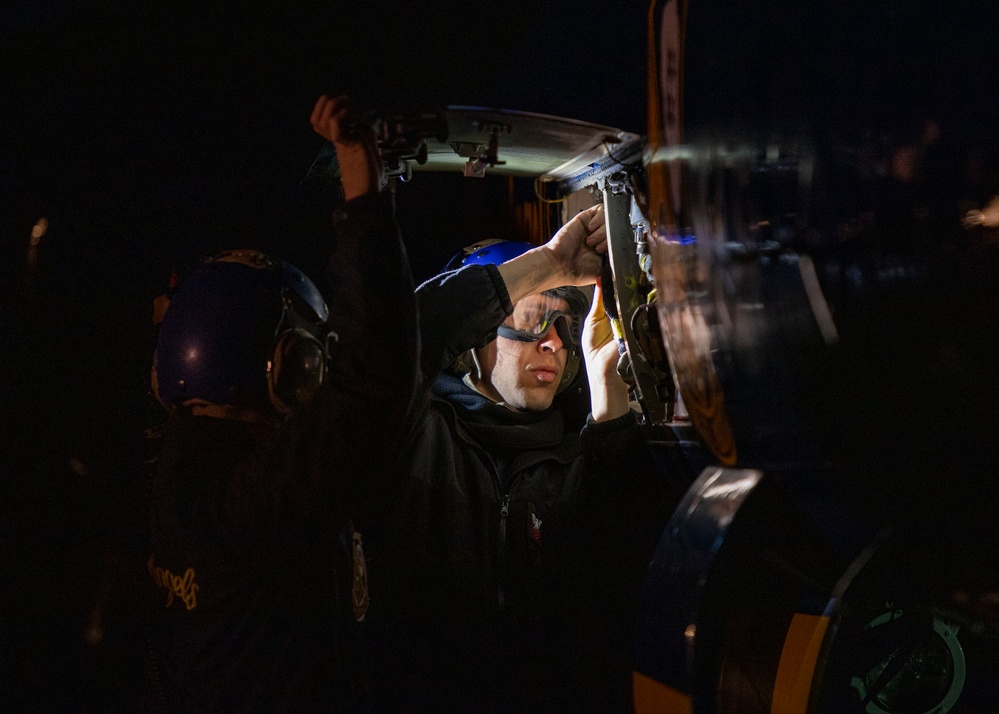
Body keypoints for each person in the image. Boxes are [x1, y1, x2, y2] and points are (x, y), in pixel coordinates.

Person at [317, 195, 681, 708]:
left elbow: (624, 575)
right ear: (474, 342)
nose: (552, 342)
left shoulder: (576, 458)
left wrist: (609, 396)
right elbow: (397, 341)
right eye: (532, 318)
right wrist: (550, 264)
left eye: (563, 326)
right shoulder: (412, 437)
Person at [144, 94, 417, 713]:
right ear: (284, 367)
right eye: (309, 362)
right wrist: (362, 185)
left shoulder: (179, 477)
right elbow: (373, 385)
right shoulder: (252, 505)